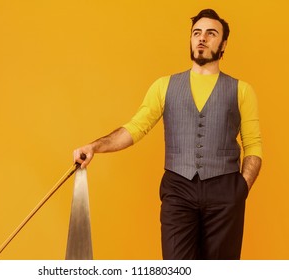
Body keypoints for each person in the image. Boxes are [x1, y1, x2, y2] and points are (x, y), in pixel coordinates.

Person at [73, 9, 262, 260]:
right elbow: (135, 128)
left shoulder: (242, 90)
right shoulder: (164, 86)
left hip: (225, 190)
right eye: (197, 33)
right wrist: (95, 147)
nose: (202, 38)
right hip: (178, 189)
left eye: (211, 33)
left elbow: (254, 145)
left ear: (224, 43)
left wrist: (240, 189)